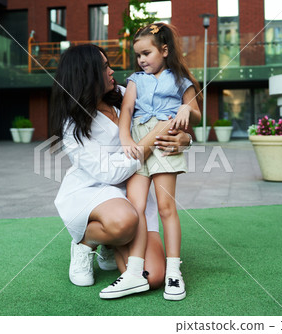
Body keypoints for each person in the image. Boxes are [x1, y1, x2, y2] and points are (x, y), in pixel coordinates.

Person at [50, 44, 192, 298]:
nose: (112, 71)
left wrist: (185, 139)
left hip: (135, 189)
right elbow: (110, 175)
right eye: (105, 67)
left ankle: (111, 240)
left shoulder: (127, 94)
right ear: (88, 74)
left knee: (154, 277)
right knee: (125, 220)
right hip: (95, 191)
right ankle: (86, 242)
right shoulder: (72, 125)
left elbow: (172, 117)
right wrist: (155, 135)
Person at [117, 23, 202, 301]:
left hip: (166, 140)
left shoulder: (181, 80)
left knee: (166, 207)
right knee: (136, 206)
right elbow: (127, 109)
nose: (141, 60)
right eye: (138, 55)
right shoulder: (135, 80)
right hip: (141, 139)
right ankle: (134, 268)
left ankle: (174, 270)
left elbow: (197, 115)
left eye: (146, 53)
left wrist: (185, 108)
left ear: (164, 50)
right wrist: (125, 139)